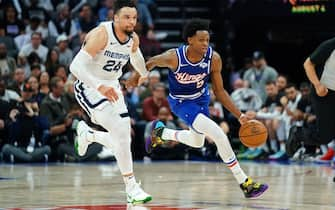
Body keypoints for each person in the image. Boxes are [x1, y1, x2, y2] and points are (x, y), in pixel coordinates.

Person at [145, 18, 268, 198]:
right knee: (218, 134)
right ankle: (245, 182)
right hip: (181, 102)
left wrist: (239, 115)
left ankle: (162, 133)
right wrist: (139, 76)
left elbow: (219, 91)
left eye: (207, 40)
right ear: (190, 40)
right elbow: (152, 61)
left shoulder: (214, 58)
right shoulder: (174, 57)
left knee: (197, 142)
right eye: (201, 40)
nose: (205, 44)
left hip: (201, 100)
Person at [69, 0, 152, 204]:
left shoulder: (133, 39)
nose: (132, 21)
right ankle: (132, 188)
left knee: (123, 133)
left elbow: (137, 57)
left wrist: (143, 73)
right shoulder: (102, 34)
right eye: (126, 17)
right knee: (121, 130)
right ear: (114, 17)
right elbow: (75, 66)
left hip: (112, 86)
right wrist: (99, 86)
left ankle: (88, 134)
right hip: (89, 86)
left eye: (134, 17)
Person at [304, 37, 335, 162]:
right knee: (325, 136)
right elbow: (308, 64)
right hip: (323, 91)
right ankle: (297, 134)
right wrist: (317, 85)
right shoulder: (330, 45)